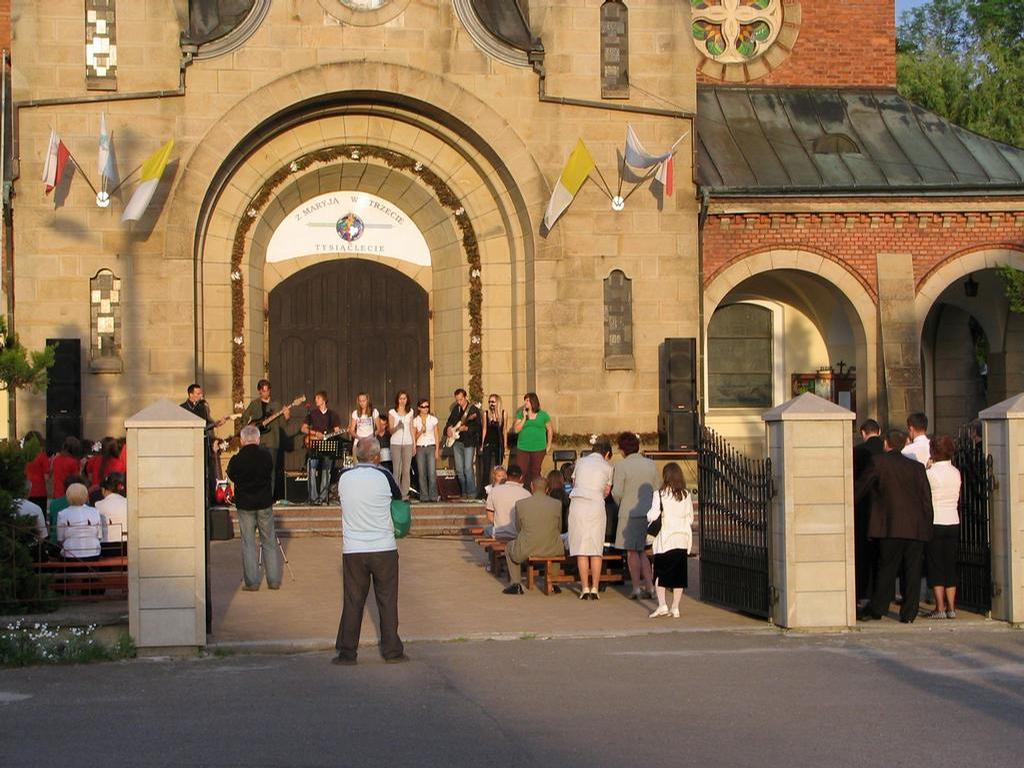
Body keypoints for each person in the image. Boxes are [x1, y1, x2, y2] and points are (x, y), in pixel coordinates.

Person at [334, 437, 407, 665]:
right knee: (387, 600)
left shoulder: (344, 476)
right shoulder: (384, 475)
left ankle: (347, 652)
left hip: (353, 547)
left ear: (356, 456)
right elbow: (398, 497)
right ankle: (392, 651)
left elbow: (339, 496)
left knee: (353, 600)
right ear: (377, 457)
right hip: (383, 546)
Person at [857, 430, 934, 623]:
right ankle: (909, 613)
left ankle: (878, 608)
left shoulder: (879, 462)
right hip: (915, 527)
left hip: (890, 525)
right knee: (913, 570)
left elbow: (861, 487)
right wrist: (927, 525)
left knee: (887, 568)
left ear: (886, 444)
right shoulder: (917, 468)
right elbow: (926, 499)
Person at [226, 425, 282, 591]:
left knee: (248, 543)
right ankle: (273, 581)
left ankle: (252, 582)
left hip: (245, 505)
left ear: (242, 440)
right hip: (264, 503)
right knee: (269, 541)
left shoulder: (236, 459)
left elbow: (231, 475)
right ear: (258, 439)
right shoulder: (266, 456)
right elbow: (270, 472)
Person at [612, 432, 658, 599]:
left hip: (629, 513)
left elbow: (617, 492)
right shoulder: (651, 464)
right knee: (643, 551)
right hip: (647, 513)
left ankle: (636, 587)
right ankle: (650, 586)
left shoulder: (621, 466)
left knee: (632, 552)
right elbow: (657, 488)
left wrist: (621, 504)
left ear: (623, 449)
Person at [646, 463, 694, 618]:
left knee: (659, 573)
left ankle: (662, 605)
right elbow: (690, 518)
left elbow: (652, 515)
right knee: (679, 575)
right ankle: (675, 607)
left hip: (665, 539)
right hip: (682, 538)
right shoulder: (686, 494)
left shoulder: (659, 494)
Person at [503, 476, 566, 595]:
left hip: (528, 547)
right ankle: (554, 583)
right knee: (557, 544)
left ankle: (516, 584)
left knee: (509, 547)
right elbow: (559, 528)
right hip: (551, 548)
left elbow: (519, 528)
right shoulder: (557, 504)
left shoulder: (521, 504)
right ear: (547, 489)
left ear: (532, 487)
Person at [568, 439, 614, 600]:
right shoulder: (608, 467)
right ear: (606, 454)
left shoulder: (580, 462)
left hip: (578, 504)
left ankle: (584, 588)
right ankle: (595, 588)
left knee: (581, 548)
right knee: (595, 548)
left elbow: (574, 483)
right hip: (596, 505)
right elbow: (606, 491)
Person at [925, 435, 962, 619]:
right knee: (950, 564)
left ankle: (940, 607)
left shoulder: (930, 473)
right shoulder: (956, 472)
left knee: (936, 564)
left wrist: (926, 467)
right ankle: (952, 607)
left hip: (936, 520)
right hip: (953, 520)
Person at [241, 379, 291, 497]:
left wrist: (287, 416)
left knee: (270, 469)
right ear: (259, 391)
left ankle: (269, 496)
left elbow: (282, 424)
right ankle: (258, 494)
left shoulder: (276, 405)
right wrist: (250, 428)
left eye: (268, 390)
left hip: (272, 441)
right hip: (257, 441)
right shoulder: (254, 404)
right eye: (263, 391)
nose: (266, 393)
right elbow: (244, 418)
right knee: (257, 468)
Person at [853, 418, 884, 605]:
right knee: (882, 556)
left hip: (863, 508)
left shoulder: (857, 451)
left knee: (863, 555)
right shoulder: (887, 451)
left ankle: (863, 592)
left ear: (863, 433)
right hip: (885, 509)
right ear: (879, 432)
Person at [301, 390, 342, 506]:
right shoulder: (312, 414)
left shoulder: (332, 415)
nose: (316, 400)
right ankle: (313, 497)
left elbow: (337, 430)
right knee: (311, 468)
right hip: (314, 446)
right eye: (316, 398)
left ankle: (323, 497)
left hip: (327, 446)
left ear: (324, 400)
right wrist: (315, 433)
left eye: (318, 398)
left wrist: (328, 434)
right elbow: (303, 428)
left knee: (326, 470)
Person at [445, 388, 481, 498]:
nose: (459, 402)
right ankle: (464, 492)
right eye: (457, 400)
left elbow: (478, 427)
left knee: (468, 468)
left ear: (465, 397)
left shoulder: (473, 410)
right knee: (459, 470)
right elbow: (449, 422)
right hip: (457, 442)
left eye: (461, 399)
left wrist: (467, 429)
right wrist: (448, 429)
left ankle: (471, 493)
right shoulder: (456, 409)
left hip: (469, 442)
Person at [511, 392, 553, 488]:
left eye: (527, 400)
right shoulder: (521, 414)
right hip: (523, 448)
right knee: (522, 471)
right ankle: (523, 491)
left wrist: (549, 445)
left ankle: (536, 491)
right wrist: (524, 418)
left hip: (539, 448)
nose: (525, 403)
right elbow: (516, 430)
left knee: (535, 471)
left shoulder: (543, 415)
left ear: (533, 402)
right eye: (525, 400)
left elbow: (550, 430)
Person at [56, 483, 102, 561]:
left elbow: (60, 539)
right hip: (93, 553)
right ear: (86, 495)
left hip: (70, 555)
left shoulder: (62, 514)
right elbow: (99, 536)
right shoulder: (95, 511)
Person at [485, 463, 530, 541]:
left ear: (506, 476)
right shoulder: (527, 494)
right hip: (518, 535)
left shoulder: (494, 491)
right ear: (521, 477)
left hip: (499, 533)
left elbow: (490, 516)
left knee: (487, 530)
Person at [388, 391, 415, 501]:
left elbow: (412, 428)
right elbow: (390, 430)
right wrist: (397, 427)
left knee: (406, 470)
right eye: (400, 398)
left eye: (404, 398)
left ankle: (404, 494)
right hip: (396, 443)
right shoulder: (392, 412)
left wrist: (414, 444)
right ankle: (396, 493)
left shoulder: (410, 412)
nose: (402, 401)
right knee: (397, 470)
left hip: (408, 443)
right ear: (397, 400)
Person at [412, 398, 441, 503]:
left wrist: (437, 450)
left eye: (427, 406)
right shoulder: (415, 420)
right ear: (419, 408)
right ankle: (424, 496)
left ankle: (433, 495)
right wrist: (420, 431)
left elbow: (436, 435)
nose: (425, 409)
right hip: (420, 447)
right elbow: (414, 437)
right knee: (422, 473)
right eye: (423, 407)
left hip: (431, 446)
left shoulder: (433, 419)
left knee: (432, 472)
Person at [478, 394, 506, 499]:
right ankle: (484, 494)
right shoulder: (486, 414)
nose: (491, 404)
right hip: (488, 442)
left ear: (497, 402)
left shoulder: (503, 413)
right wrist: (482, 444)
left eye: (493, 402)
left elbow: (504, 430)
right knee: (486, 469)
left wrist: (505, 445)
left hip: (499, 443)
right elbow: (484, 429)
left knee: (498, 468)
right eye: (489, 402)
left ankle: (500, 491)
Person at [95, 473, 128, 555]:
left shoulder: (98, 505)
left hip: (107, 547)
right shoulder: (128, 502)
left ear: (103, 489)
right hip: (126, 546)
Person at [50, 436, 82, 501]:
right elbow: (76, 480)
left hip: (57, 493)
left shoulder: (56, 459)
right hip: (69, 494)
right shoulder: (73, 462)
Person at [23, 431, 49, 512]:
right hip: (40, 492)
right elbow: (46, 477)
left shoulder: (22, 455)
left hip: (25, 492)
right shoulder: (42, 456)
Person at [547, 468, 570, 533]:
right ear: (561, 480)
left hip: (551, 532)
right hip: (565, 531)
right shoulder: (567, 497)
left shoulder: (547, 497)